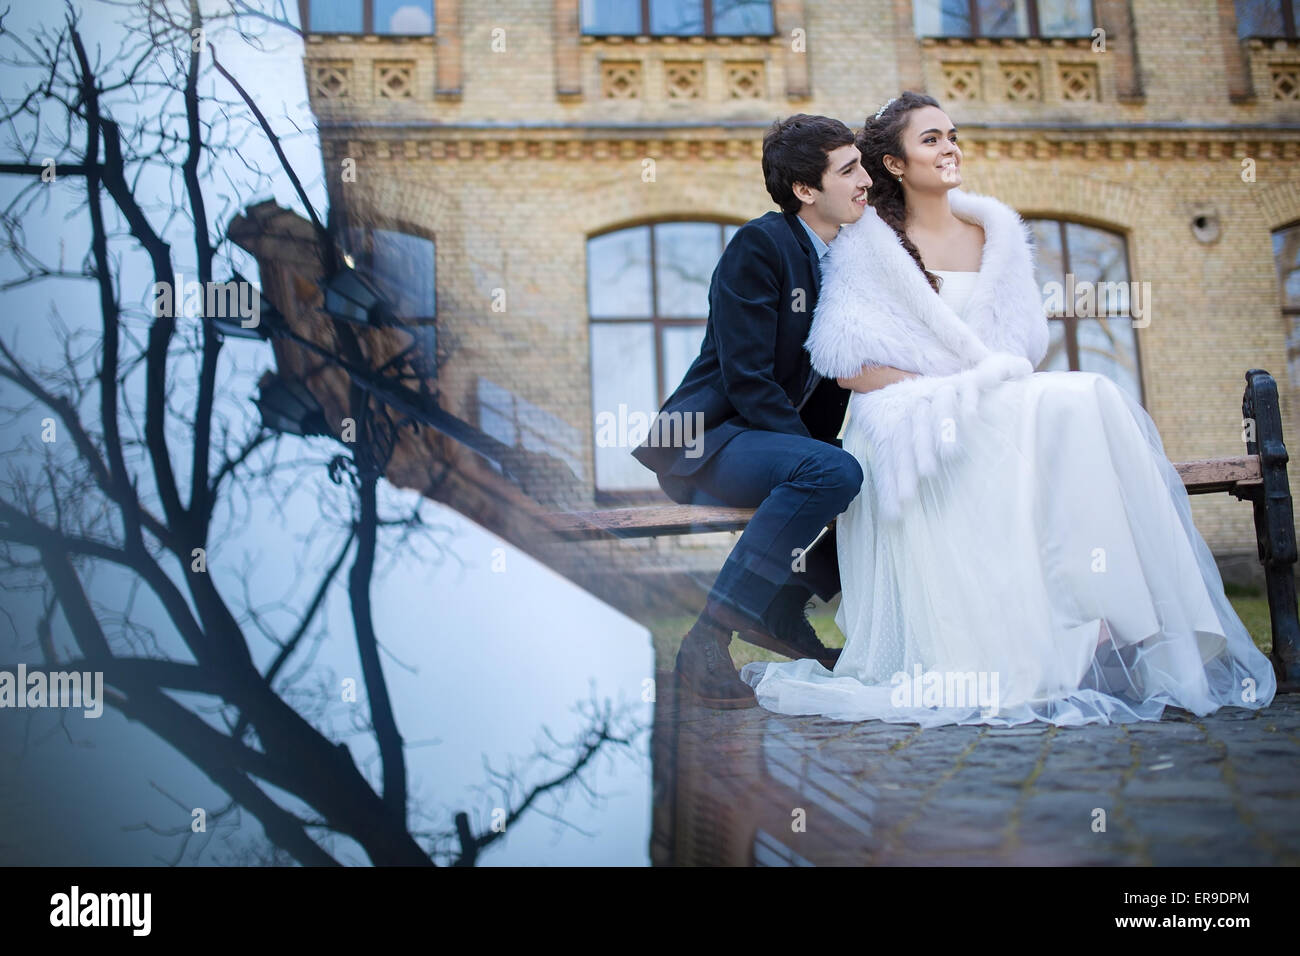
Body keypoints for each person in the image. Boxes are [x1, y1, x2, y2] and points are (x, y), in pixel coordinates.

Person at [740, 92, 1278, 726]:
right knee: (1073, 400)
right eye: (932, 139)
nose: (950, 148)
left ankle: (1104, 614)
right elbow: (848, 362)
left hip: (996, 396)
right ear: (893, 163)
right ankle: (1082, 621)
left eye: (952, 135)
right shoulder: (869, 244)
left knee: (1089, 398)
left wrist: (985, 384)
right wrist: (956, 385)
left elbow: (1023, 347)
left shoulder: (997, 234)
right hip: (907, 410)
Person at [631, 114, 871, 709]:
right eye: (849, 170)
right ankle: (707, 639)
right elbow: (747, 378)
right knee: (834, 470)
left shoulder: (849, 260)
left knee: (882, 469)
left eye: (862, 163)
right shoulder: (760, 246)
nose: (865, 179)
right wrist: (814, 453)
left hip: (771, 444)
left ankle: (785, 602)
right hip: (709, 441)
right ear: (806, 190)